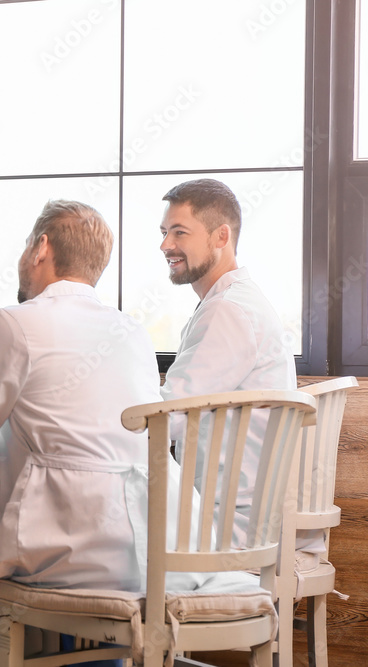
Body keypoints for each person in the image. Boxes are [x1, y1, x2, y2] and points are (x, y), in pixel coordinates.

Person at [0, 200, 200, 667]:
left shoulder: (15, 323)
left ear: (41, 248)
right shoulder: (132, 331)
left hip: (61, 541)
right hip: (146, 544)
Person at [157, 178, 297, 546]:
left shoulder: (228, 311)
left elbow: (166, 417)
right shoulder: (235, 302)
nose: (165, 245)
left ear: (221, 237)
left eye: (179, 233)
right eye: (164, 232)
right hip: (233, 511)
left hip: (222, 524)